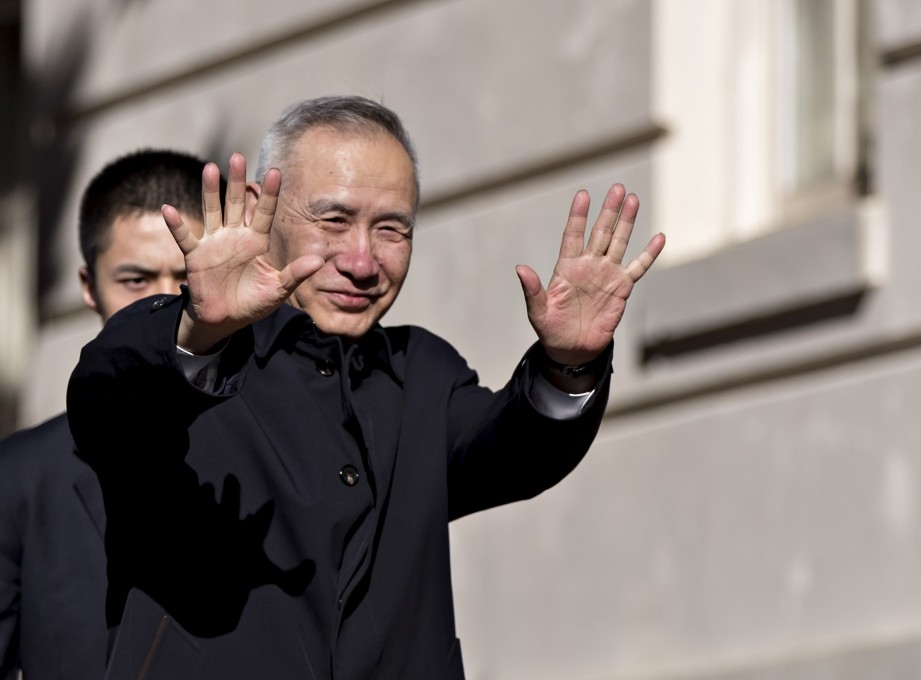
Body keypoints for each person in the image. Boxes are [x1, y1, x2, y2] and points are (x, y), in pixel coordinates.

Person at [67, 96, 665, 679]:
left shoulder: (421, 372)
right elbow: (106, 399)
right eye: (334, 220)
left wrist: (568, 363)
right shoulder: (185, 354)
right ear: (261, 209)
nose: (361, 262)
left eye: (391, 229)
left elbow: (514, 452)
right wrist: (200, 331)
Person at [0, 149, 212, 680]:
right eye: (135, 281)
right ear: (89, 287)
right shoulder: (20, 477)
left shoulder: (288, 451)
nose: (162, 304)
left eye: (187, 277)